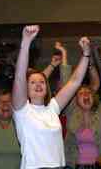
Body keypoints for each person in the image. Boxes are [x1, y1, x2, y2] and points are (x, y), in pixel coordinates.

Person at [12, 25, 90, 169]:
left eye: (42, 81)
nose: (38, 84)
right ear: (25, 89)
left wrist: (86, 54)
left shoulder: (52, 108)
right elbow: (19, 77)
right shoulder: (22, 111)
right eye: (33, 82)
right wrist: (26, 43)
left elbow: (75, 81)